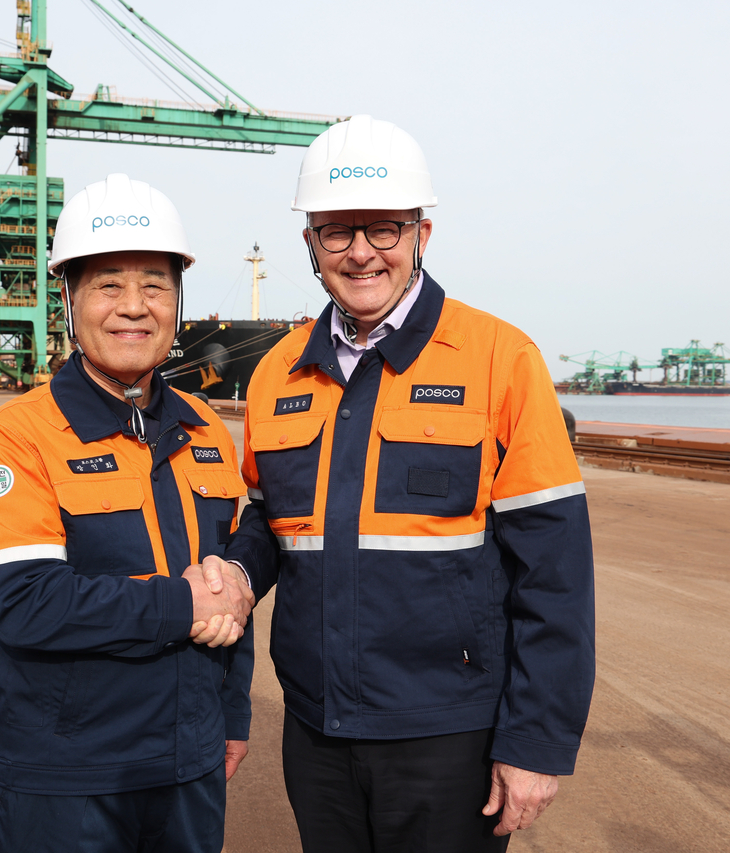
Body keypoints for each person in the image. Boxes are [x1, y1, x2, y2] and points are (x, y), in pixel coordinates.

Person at [207, 115, 596, 851]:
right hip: (317, 731)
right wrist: (233, 568)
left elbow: (556, 574)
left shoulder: (500, 359)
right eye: (336, 232)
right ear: (310, 244)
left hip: (449, 732)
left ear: (422, 232)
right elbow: (268, 521)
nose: (361, 253)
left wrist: (536, 744)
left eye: (383, 228)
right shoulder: (277, 371)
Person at [0, 173, 255, 853]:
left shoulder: (207, 430)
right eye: (108, 284)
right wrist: (179, 606)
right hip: (65, 776)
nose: (134, 306)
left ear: (178, 298)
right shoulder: (17, 435)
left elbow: (231, 587)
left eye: (155, 284)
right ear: (69, 298)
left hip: (189, 767)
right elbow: (24, 601)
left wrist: (233, 711)